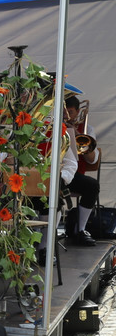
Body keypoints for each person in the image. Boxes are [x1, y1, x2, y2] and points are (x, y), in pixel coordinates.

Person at [64, 95, 101, 245]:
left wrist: (78, 136)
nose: (67, 116)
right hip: (55, 173)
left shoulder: (87, 129)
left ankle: (80, 229)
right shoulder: (53, 127)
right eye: (64, 112)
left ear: (78, 112)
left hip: (74, 175)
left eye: (70, 112)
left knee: (92, 186)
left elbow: (92, 160)